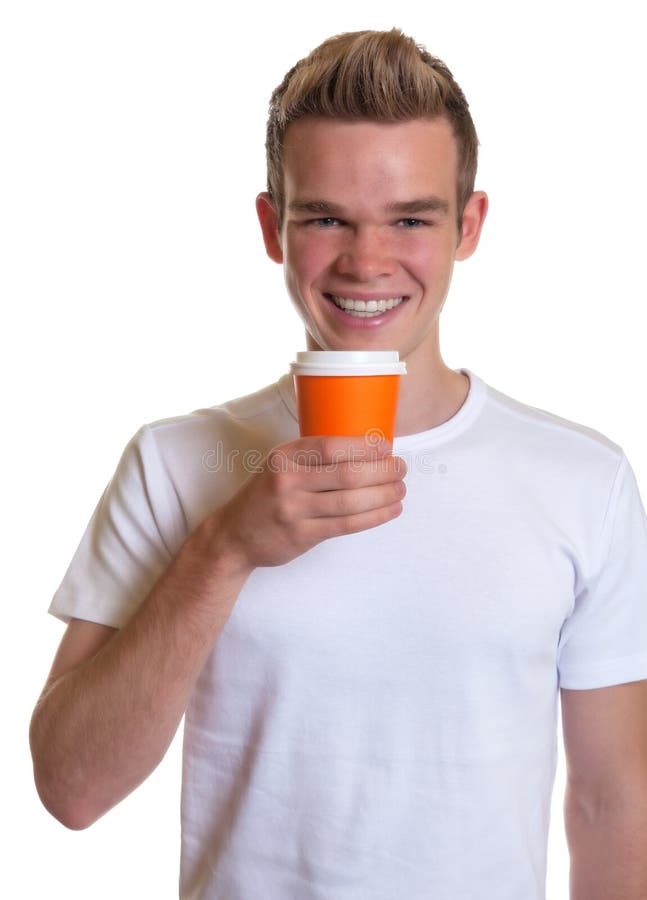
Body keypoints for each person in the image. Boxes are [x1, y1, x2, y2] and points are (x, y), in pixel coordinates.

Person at [30, 28, 647, 899]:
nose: (367, 261)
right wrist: (226, 549)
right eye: (325, 217)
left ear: (467, 226)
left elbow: (611, 802)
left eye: (410, 218)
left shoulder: (585, 481)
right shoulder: (174, 462)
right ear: (271, 227)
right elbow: (70, 788)